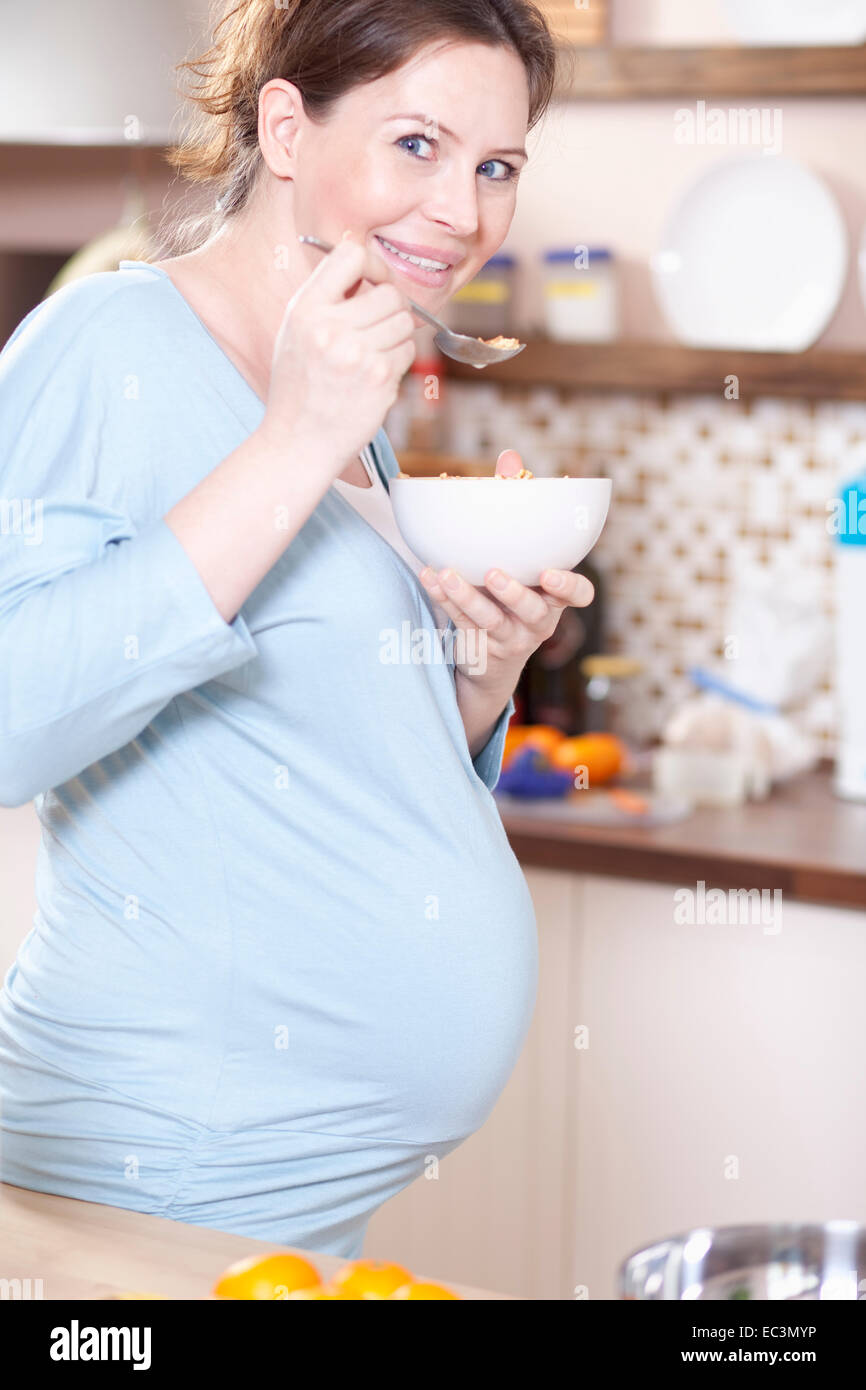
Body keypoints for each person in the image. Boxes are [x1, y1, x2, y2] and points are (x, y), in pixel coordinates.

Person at [0, 0, 593, 1258]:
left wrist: (481, 673)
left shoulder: (346, 382)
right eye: (417, 145)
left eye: (494, 167)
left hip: (284, 1200)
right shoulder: (108, 344)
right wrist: (294, 439)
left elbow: (328, 745)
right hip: (150, 1174)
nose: (462, 211)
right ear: (283, 128)